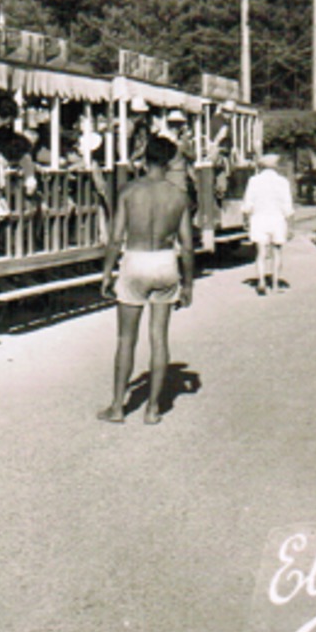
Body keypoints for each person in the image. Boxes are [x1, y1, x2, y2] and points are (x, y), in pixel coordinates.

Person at [99, 134, 194, 425]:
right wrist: (188, 283)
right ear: (169, 161)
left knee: (126, 338)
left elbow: (115, 240)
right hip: (165, 262)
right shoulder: (179, 196)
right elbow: (187, 246)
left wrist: (106, 273)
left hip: (135, 261)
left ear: (144, 158)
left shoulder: (129, 191)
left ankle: (117, 407)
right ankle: (153, 409)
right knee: (159, 337)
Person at [241, 152, 295, 295]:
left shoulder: (253, 181)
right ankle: (276, 284)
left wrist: (245, 219)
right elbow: (287, 206)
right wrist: (290, 226)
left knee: (261, 253)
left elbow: (247, 204)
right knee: (277, 252)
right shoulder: (283, 182)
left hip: (259, 219)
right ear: (275, 167)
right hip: (277, 220)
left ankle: (261, 282)